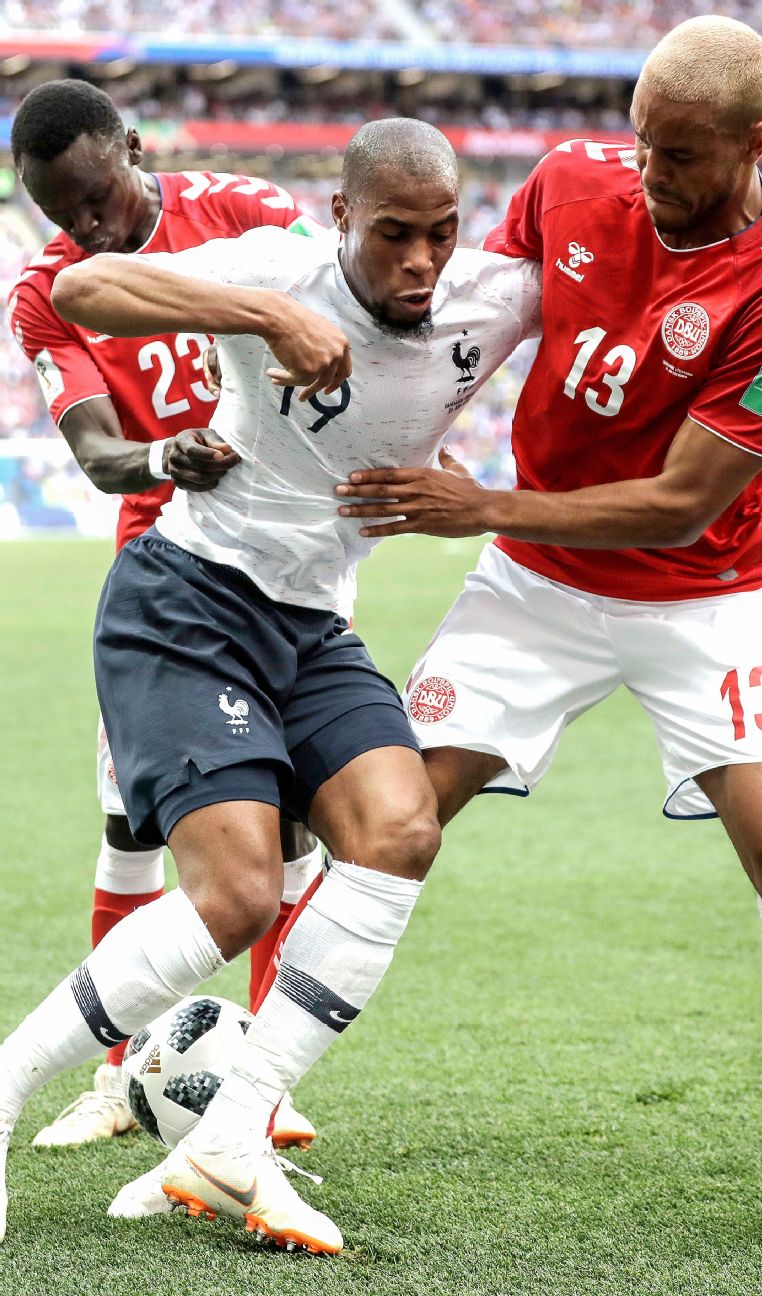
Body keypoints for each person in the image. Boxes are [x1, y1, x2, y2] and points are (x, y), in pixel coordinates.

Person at [334, 17, 762, 1237]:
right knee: (383, 811)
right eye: (641, 143)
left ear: (754, 146)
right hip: (539, 586)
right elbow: (471, 319)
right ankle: (239, 1102)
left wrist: (478, 505)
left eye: (680, 156)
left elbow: (684, 501)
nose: (650, 174)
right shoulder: (572, 180)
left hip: (700, 593)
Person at [0, 116, 553, 1252]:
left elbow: (628, 328)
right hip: (189, 598)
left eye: (439, 236)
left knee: (397, 831)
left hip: (313, 622)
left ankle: (231, 1133)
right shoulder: (271, 264)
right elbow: (91, 290)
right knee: (238, 889)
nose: (419, 263)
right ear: (341, 215)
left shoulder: (489, 298)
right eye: (394, 234)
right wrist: (265, 314)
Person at [8, 79, 322, 1152]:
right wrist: (162, 456)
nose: (88, 230)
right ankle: (114, 1074)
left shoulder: (239, 211)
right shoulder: (48, 290)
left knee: (298, 829)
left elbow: (335, 310)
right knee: (128, 827)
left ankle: (262, 1090)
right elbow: (98, 455)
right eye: (64, 216)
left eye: (98, 199)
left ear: (134, 148)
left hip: (288, 552)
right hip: (163, 570)